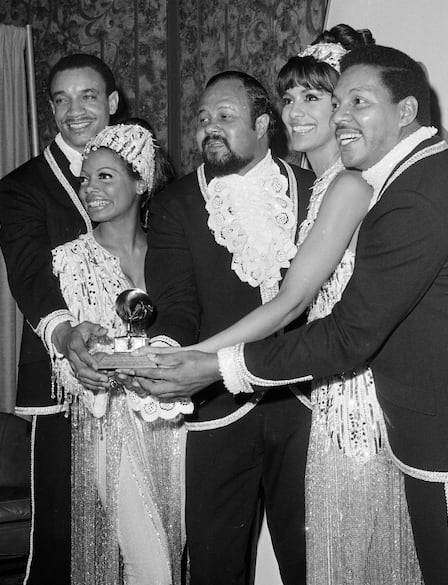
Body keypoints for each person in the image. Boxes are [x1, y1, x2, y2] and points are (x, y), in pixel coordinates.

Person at [128, 45, 448, 585]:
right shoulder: (416, 179)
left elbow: (346, 333)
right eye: (336, 103)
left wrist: (217, 365)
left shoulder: (413, 195)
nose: (338, 116)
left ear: (405, 111)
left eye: (357, 101)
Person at [152, 25, 421, 585]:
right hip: (259, 401)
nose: (297, 110)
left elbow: (292, 299)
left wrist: (200, 360)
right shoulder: (329, 184)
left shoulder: (340, 185)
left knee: (332, 559)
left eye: (317, 98)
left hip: (329, 397)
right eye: (291, 96)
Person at [139, 71, 315, 585]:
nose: (209, 128)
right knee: (214, 568)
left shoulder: (313, 191)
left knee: (310, 561)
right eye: (202, 119)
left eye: (225, 117)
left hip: (302, 404)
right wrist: (169, 355)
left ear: (264, 125)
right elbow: (175, 305)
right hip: (216, 409)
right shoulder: (174, 204)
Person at [0, 53, 119, 585]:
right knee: (60, 527)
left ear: (112, 103)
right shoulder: (22, 186)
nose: (75, 110)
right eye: (62, 99)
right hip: (59, 379)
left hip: (143, 375)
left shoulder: (149, 175)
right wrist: (65, 333)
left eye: (88, 96)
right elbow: (29, 276)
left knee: (140, 524)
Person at [50, 121, 187, 585]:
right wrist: (88, 365)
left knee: (178, 548)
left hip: (182, 424)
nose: (89, 189)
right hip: (114, 429)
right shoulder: (69, 259)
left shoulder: (173, 252)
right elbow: (66, 367)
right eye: (85, 178)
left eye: (105, 176)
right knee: (148, 561)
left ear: (140, 182)